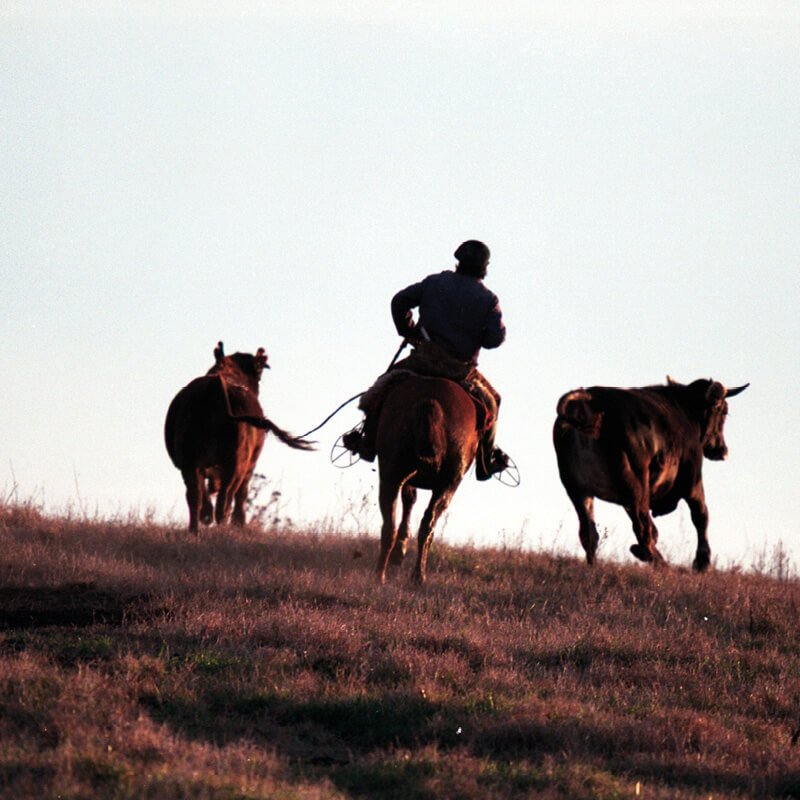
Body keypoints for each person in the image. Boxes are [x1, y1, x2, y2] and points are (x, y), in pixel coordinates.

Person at [343, 239, 510, 480]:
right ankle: (485, 461)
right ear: (484, 267)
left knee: (382, 386)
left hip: (423, 361)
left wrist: (408, 330)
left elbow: (399, 301)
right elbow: (495, 339)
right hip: (459, 371)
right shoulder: (489, 300)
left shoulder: (435, 282)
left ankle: (367, 440)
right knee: (493, 401)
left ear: (459, 261)